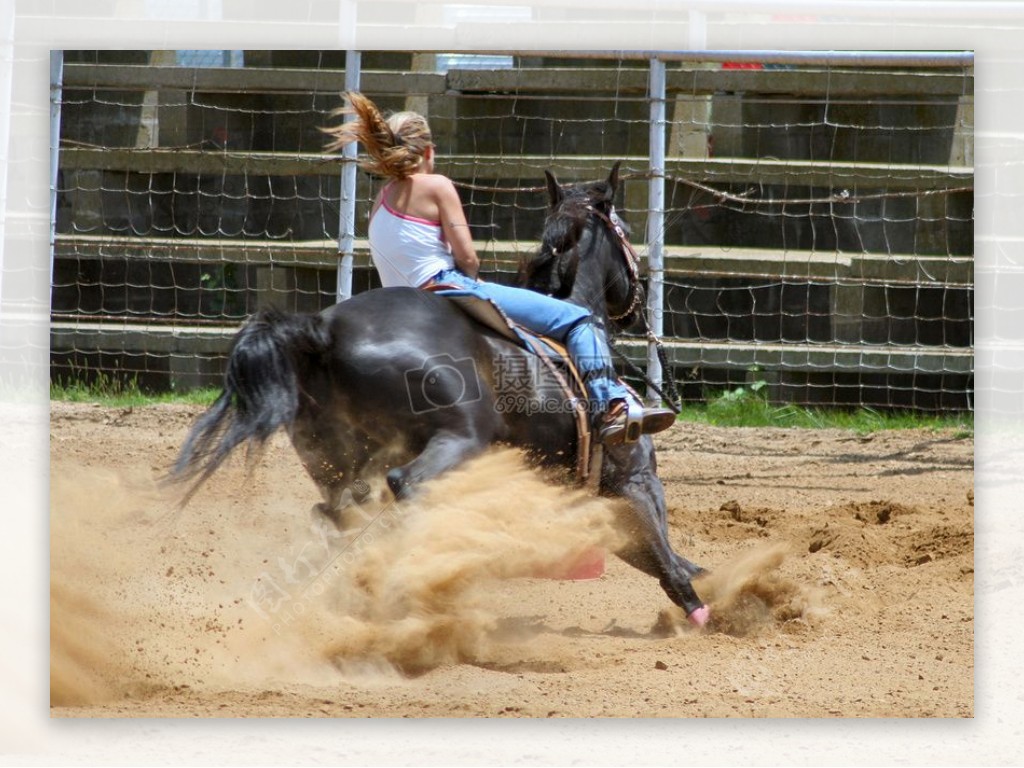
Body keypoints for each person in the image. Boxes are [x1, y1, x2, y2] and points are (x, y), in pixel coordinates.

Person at [322, 91, 674, 445]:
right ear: (428, 151)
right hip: (444, 289)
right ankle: (610, 405)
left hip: (396, 303)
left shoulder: (379, 202)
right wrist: (473, 281)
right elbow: (468, 258)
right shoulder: (437, 186)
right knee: (578, 319)